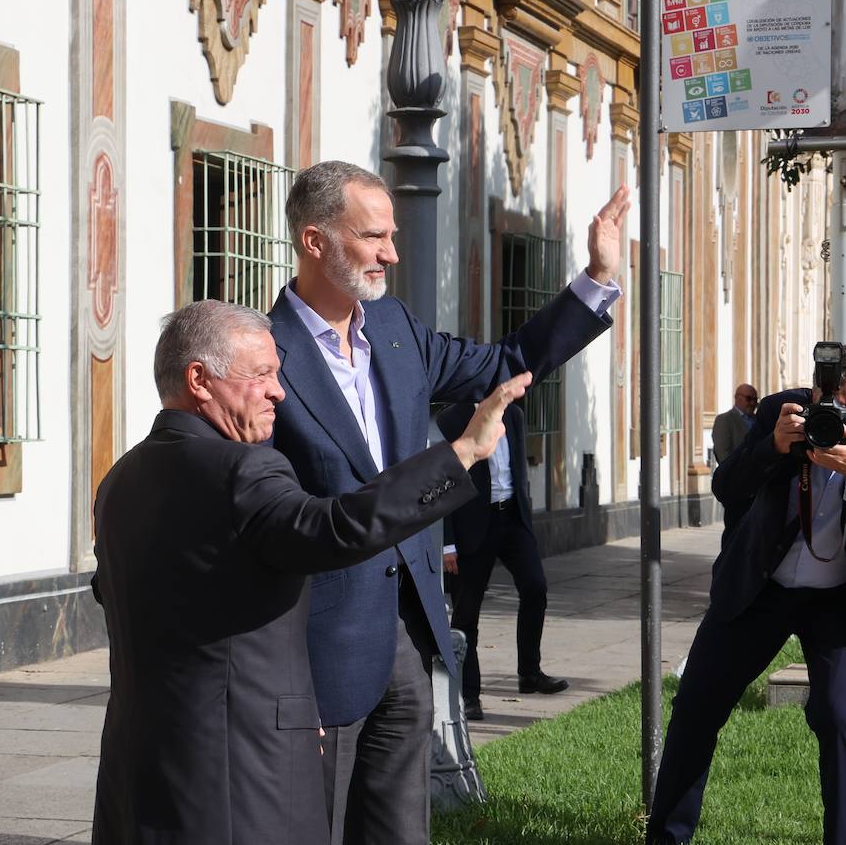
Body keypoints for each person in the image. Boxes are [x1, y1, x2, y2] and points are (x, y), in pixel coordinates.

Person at [268, 160, 627, 844]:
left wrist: (596, 280)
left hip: (410, 635)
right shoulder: (264, 355)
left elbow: (506, 362)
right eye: (373, 237)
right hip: (320, 650)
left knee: (404, 831)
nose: (391, 254)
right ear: (315, 242)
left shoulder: (397, 329)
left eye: (392, 235)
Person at [89, 301, 530, 845]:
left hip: (144, 766)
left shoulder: (120, 480)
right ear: (199, 380)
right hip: (243, 770)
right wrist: (459, 454)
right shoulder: (243, 470)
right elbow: (335, 527)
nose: (279, 390)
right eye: (263, 375)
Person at [647, 344, 846, 845]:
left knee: (838, 718)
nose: (839, 419)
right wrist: (771, 446)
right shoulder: (781, 412)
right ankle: (667, 837)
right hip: (761, 586)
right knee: (695, 708)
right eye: (828, 402)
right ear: (813, 392)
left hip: (838, 599)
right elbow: (726, 487)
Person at [437, 401, 566, 724]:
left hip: (512, 517)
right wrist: (446, 542)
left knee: (535, 587)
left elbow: (519, 468)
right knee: (467, 614)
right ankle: (468, 695)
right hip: (471, 526)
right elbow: (445, 480)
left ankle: (530, 673)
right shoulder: (452, 419)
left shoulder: (515, 415)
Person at [710, 383, 758, 464]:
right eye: (749, 399)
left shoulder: (758, 419)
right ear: (737, 398)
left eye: (755, 400)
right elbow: (722, 454)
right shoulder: (724, 420)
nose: (752, 403)